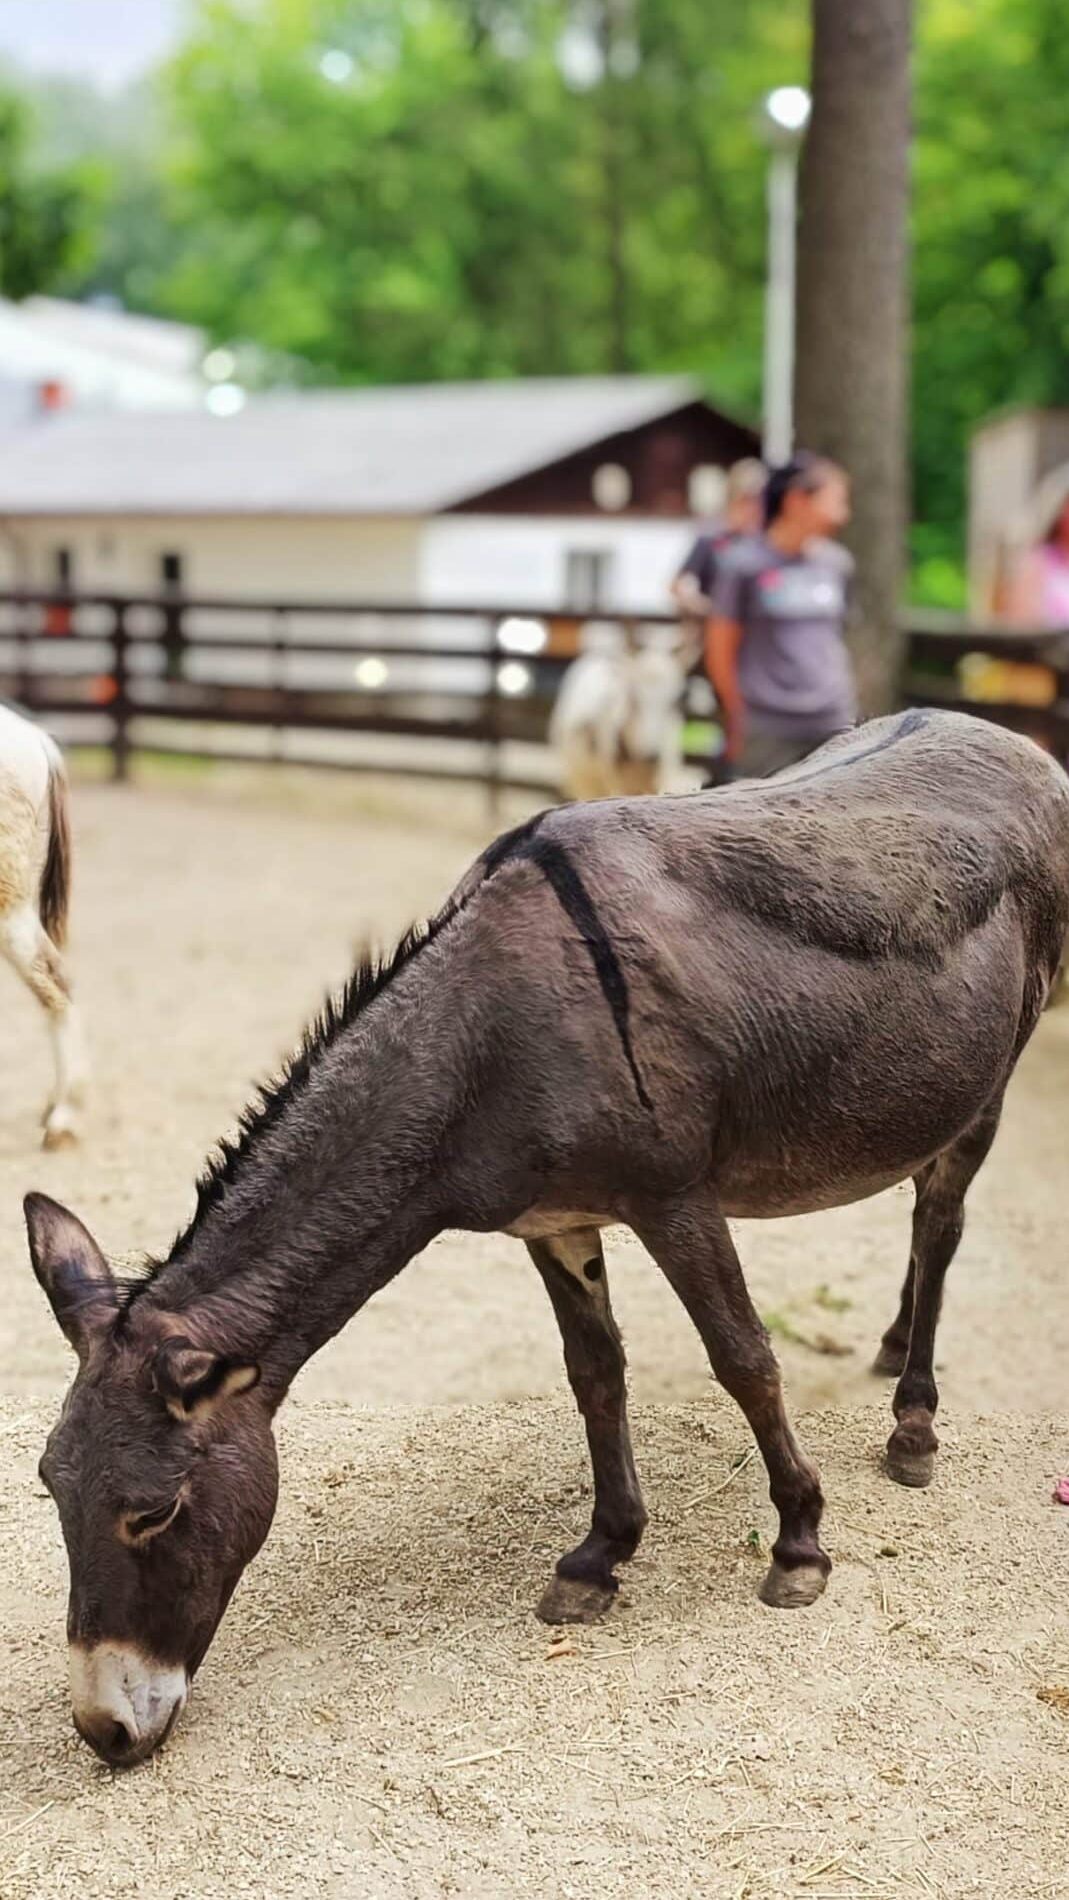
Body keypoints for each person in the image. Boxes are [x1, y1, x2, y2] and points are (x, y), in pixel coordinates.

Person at [704, 451, 856, 779]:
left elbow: (836, 638)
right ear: (797, 500)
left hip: (832, 721)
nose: (844, 514)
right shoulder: (742, 565)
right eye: (836, 501)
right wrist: (737, 715)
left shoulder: (836, 564)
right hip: (767, 726)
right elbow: (720, 648)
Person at [670, 458, 767, 616]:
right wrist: (707, 607)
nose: (753, 507)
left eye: (758, 500)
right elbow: (680, 584)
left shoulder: (766, 541)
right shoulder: (712, 538)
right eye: (747, 500)